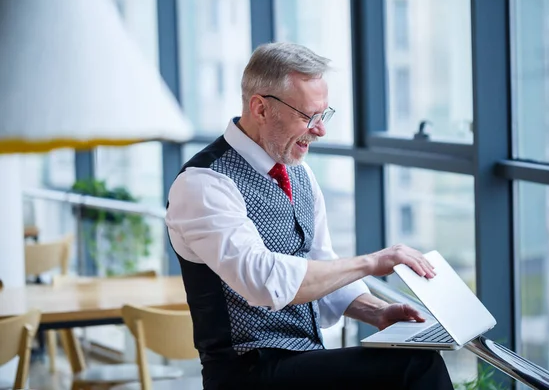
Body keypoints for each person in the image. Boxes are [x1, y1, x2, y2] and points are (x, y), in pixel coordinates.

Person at [165, 42, 453, 389]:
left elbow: (319, 263)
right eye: (308, 116)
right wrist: (372, 262)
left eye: (323, 114)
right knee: (414, 367)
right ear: (260, 109)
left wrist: (375, 312)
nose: (320, 130)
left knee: (414, 361)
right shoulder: (203, 183)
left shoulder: (299, 174)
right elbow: (264, 283)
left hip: (304, 358)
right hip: (246, 373)